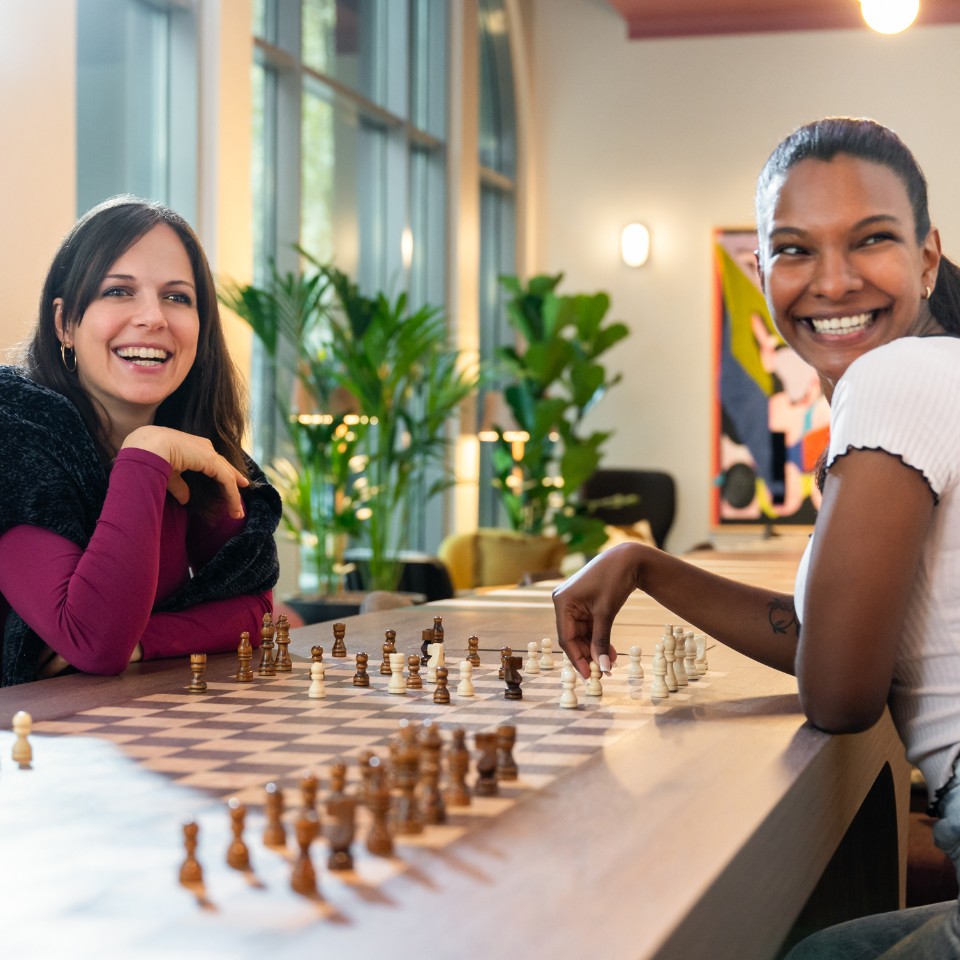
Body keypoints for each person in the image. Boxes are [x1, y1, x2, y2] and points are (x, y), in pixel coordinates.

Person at [553, 117, 960, 958]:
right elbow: (831, 646)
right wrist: (646, 565)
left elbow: (840, 693)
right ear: (764, 271)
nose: (834, 281)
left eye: (871, 240)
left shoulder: (897, 377)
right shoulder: (935, 371)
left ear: (927, 256)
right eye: (796, 250)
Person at [0, 196, 281, 686]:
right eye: (118, 291)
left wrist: (146, 640)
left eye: (177, 297)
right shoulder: (17, 436)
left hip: (124, 735)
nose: (153, 317)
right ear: (65, 322)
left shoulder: (194, 446)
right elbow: (94, 639)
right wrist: (145, 454)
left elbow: (254, 607)